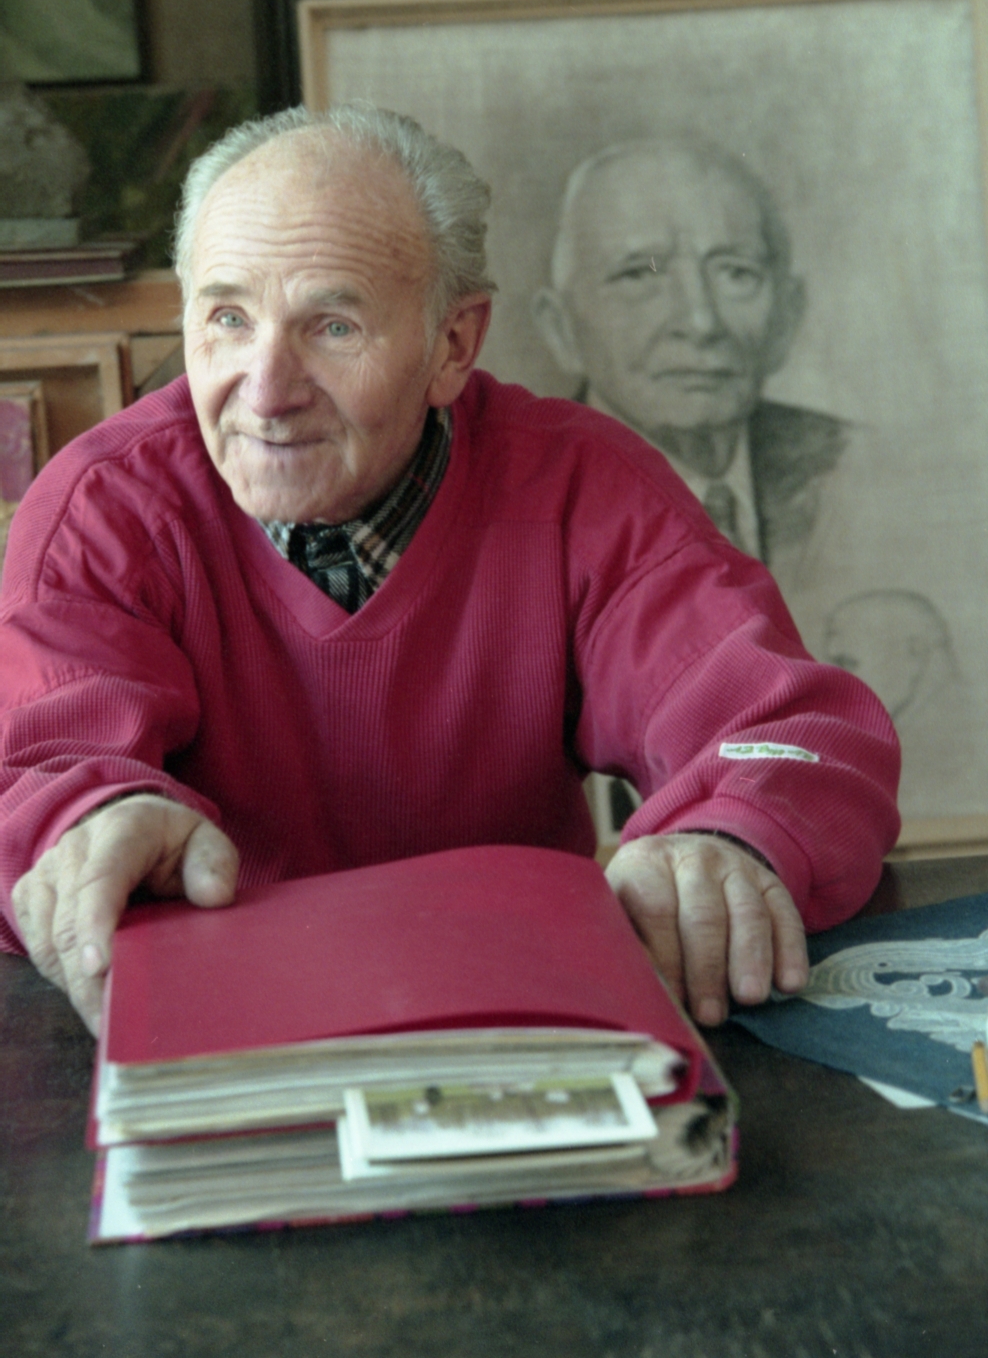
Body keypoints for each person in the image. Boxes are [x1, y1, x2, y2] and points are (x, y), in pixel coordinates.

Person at [0, 105, 900, 1040]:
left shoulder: (582, 488)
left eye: (333, 326)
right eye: (228, 317)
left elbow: (792, 732)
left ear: (453, 346)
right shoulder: (104, 508)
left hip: (525, 1025)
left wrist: (725, 835)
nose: (265, 390)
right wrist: (87, 821)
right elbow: (37, 766)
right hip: (235, 1029)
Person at [533, 137, 849, 565]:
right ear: (561, 330)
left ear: (787, 317)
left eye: (736, 273)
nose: (702, 322)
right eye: (640, 275)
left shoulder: (865, 472)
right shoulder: (513, 513)